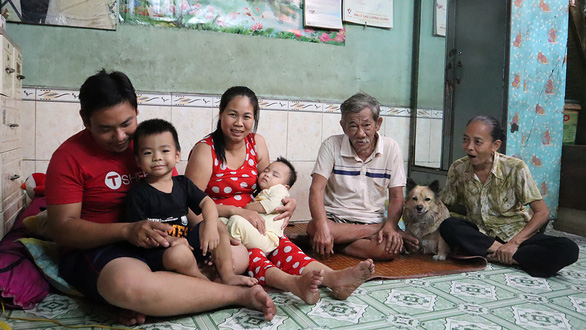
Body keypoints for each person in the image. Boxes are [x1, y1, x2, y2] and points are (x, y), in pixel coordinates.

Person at [45, 70, 276, 326]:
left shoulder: (151, 145)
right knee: (127, 285)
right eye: (106, 129)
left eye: (126, 124)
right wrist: (126, 231)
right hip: (104, 248)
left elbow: (177, 199)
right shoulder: (68, 157)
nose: (120, 137)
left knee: (237, 254)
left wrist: (208, 230)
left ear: (137, 110)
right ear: (85, 120)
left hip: (166, 241)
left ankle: (164, 296)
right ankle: (234, 295)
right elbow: (62, 229)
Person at [186, 86, 375, 305]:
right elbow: (190, 207)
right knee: (252, 252)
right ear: (221, 114)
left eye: (247, 117)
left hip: (252, 221)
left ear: (254, 119)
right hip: (217, 224)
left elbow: (272, 184)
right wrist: (225, 223)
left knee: (281, 244)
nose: (239, 123)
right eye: (232, 114)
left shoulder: (256, 143)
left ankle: (334, 279)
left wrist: (289, 202)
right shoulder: (205, 150)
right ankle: (292, 283)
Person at [439, 115, 579, 278]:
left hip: (517, 236)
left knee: (569, 248)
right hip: (481, 236)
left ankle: (504, 256)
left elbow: (542, 213)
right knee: (449, 226)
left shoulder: (515, 168)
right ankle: (510, 256)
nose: (469, 147)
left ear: (495, 145)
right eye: (465, 140)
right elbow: (445, 206)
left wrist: (514, 243)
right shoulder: (458, 168)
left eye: (477, 142)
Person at [125, 118, 255, 285]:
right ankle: (202, 282)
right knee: (179, 254)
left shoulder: (182, 184)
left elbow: (207, 203)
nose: (157, 158)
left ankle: (228, 276)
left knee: (218, 225)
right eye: (148, 153)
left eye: (164, 151)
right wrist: (172, 241)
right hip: (161, 253)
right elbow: (140, 234)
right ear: (137, 160)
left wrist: (209, 226)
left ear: (177, 154)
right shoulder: (138, 194)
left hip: (188, 245)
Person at [307, 92, 418, 260]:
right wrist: (323, 227)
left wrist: (390, 226)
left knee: (389, 250)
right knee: (315, 228)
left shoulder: (391, 148)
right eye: (353, 126)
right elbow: (316, 189)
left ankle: (335, 242)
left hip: (369, 218)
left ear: (378, 123)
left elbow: (396, 196)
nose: (360, 133)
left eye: (366, 125)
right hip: (336, 219)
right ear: (343, 126)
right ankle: (367, 233)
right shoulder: (331, 145)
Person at [222, 157, 297, 254]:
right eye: (266, 170)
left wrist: (245, 209)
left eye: (275, 175)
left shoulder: (280, 189)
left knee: (236, 221)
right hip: (256, 233)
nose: (267, 174)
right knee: (222, 221)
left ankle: (228, 251)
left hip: (267, 238)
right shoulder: (263, 192)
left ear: (286, 187)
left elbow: (273, 205)